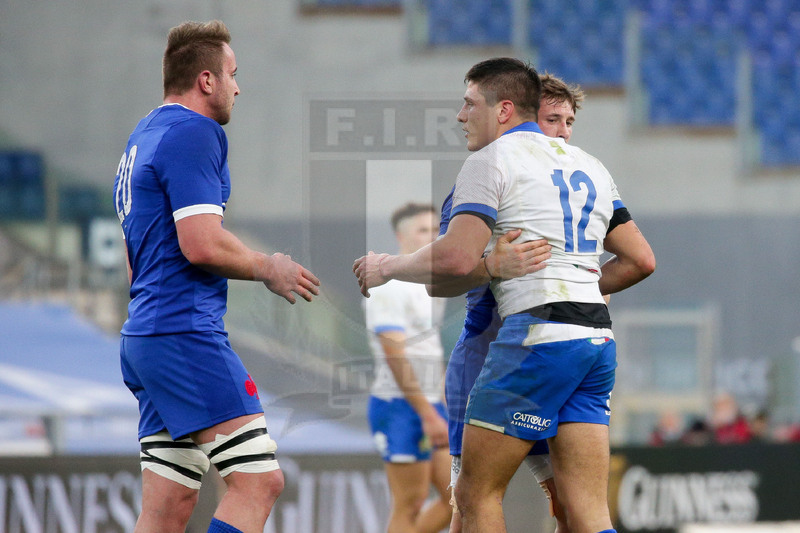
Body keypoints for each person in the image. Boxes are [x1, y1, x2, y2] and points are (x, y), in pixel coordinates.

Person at [353, 57, 655, 533]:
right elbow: (641, 259)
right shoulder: (592, 167)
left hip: (527, 344)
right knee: (584, 510)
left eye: (469, 103)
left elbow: (450, 262)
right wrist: (568, 281)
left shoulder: (491, 161)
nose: (460, 115)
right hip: (587, 341)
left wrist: (389, 266)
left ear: (505, 109)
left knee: (475, 497)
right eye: (553, 118)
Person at [113, 20, 320, 533]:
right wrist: (266, 265)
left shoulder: (145, 133)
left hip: (146, 334)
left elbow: (134, 253)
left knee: (168, 505)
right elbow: (201, 243)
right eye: (232, 73)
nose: (237, 86)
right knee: (259, 481)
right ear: (206, 80)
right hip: (183, 333)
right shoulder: (194, 131)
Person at [432, 72, 585, 533]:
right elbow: (453, 272)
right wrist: (498, 265)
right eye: (550, 120)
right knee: (469, 504)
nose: (560, 132)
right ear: (523, 124)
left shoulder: (574, 191)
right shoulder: (482, 185)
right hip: (489, 359)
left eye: (569, 121)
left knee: (572, 503)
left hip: (555, 358)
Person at [365, 202, 451, 533]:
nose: (432, 236)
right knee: (410, 503)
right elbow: (394, 355)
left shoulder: (432, 286)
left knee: (459, 497)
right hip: (399, 405)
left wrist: (441, 403)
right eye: (422, 230)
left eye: (436, 229)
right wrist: (427, 414)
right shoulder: (389, 285)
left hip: (431, 404)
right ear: (401, 237)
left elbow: (429, 349)